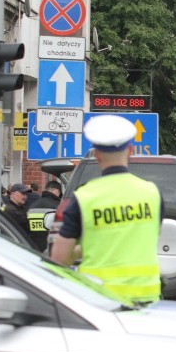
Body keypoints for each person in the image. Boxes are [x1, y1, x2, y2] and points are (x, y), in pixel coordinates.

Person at [51, 115, 164, 304]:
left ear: (96, 155)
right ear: (130, 150)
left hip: (99, 301)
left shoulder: (84, 198)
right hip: (147, 301)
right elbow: (148, 235)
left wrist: (85, 247)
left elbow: (59, 259)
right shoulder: (152, 193)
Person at [27, 180, 63, 252]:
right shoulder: (58, 206)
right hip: (52, 248)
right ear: (56, 191)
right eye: (59, 193)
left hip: (35, 248)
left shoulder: (32, 206)